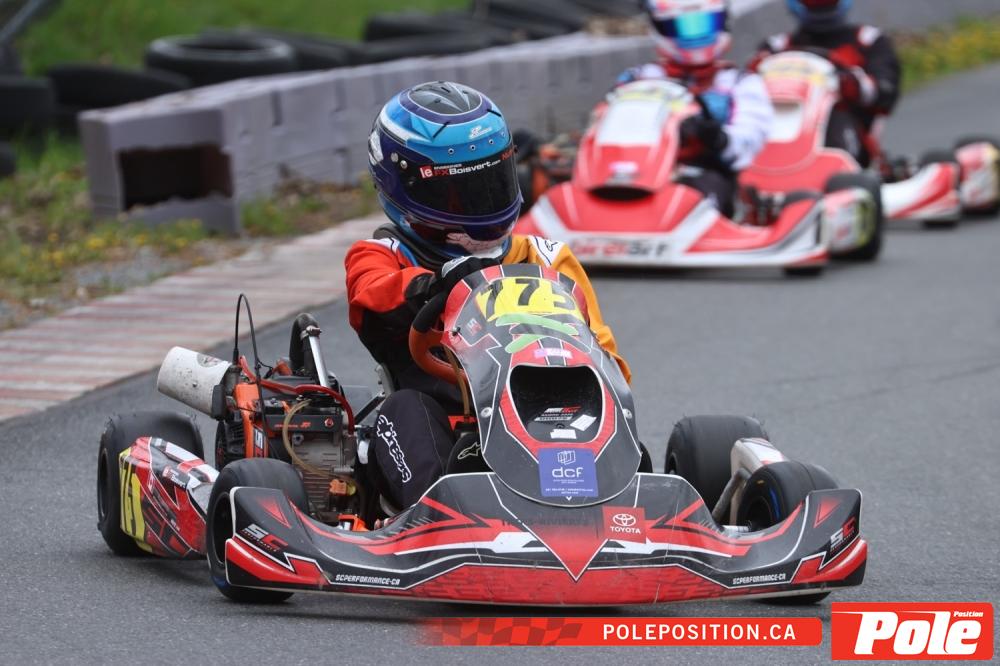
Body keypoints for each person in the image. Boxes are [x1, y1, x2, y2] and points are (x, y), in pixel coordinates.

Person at [345, 81, 635, 511]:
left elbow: (606, 359)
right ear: (403, 185)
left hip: (549, 408)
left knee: (617, 416)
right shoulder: (382, 255)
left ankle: (620, 500)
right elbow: (371, 296)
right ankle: (441, 517)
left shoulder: (547, 257)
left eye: (489, 183)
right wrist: (430, 285)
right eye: (456, 192)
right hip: (447, 422)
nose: (480, 203)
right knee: (404, 409)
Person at [618, 0, 773, 218]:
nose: (694, 36)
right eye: (684, 27)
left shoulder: (740, 82)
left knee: (699, 195)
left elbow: (750, 140)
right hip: (639, 170)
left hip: (706, 172)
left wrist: (717, 138)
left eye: (703, 25)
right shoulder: (641, 79)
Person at [752, 0, 902, 167]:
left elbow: (886, 93)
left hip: (845, 129)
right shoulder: (776, 47)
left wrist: (847, 82)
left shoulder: (868, 40)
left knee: (836, 119)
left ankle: (839, 171)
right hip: (779, 130)